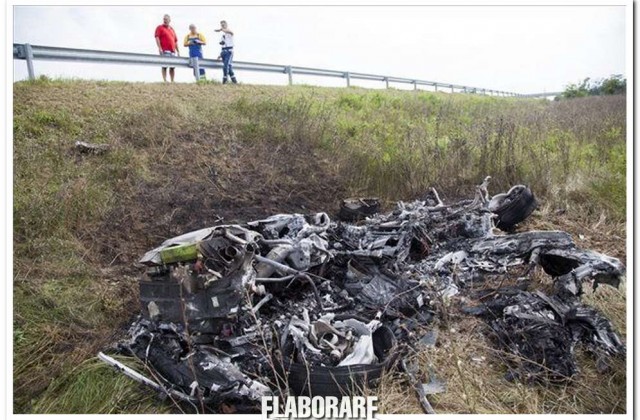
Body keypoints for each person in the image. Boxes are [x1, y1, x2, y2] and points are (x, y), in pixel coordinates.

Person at [154, 14, 180, 82]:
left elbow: (175, 41)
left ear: (169, 20)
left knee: (172, 67)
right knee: (164, 66)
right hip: (165, 50)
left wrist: (178, 51)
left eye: (166, 19)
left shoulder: (172, 29)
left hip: (172, 51)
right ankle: (165, 80)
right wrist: (159, 48)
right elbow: (157, 37)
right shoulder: (160, 27)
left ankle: (172, 80)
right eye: (164, 19)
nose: (165, 20)